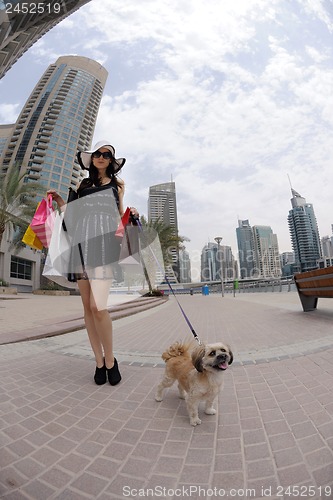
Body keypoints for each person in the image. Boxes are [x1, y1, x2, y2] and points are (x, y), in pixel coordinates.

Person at [48, 141, 138, 386]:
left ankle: (111, 360)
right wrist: (59, 201)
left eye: (106, 155)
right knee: (87, 308)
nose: (101, 157)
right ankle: (98, 362)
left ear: (111, 161)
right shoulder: (83, 185)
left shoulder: (117, 186)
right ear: (92, 159)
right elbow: (73, 216)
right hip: (81, 243)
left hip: (103, 245)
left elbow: (119, 215)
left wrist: (133, 214)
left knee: (99, 306)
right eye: (97, 154)